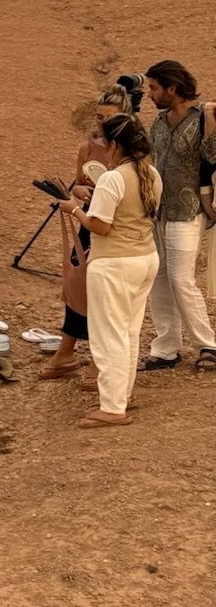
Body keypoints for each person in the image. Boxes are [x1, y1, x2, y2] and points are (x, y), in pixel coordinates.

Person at [61, 113, 162, 427]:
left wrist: (74, 209)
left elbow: (100, 226)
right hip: (144, 258)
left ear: (115, 144)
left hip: (114, 264)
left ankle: (112, 408)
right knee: (129, 333)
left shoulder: (113, 178)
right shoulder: (152, 174)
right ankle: (121, 396)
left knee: (109, 338)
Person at [41, 84, 132, 381]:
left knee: (106, 294)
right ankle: (66, 353)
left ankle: (97, 358)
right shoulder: (87, 148)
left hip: (117, 229)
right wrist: (78, 190)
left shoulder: (134, 153)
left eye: (109, 117)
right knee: (78, 283)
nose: (102, 123)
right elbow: (78, 183)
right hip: (88, 222)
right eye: (99, 117)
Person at [141, 60, 216, 374]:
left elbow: (213, 155)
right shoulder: (159, 121)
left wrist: (212, 120)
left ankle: (208, 345)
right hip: (158, 211)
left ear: (172, 87)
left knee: (180, 278)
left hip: (188, 210)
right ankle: (166, 348)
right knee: (158, 277)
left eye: (154, 87)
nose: (149, 93)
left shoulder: (204, 117)